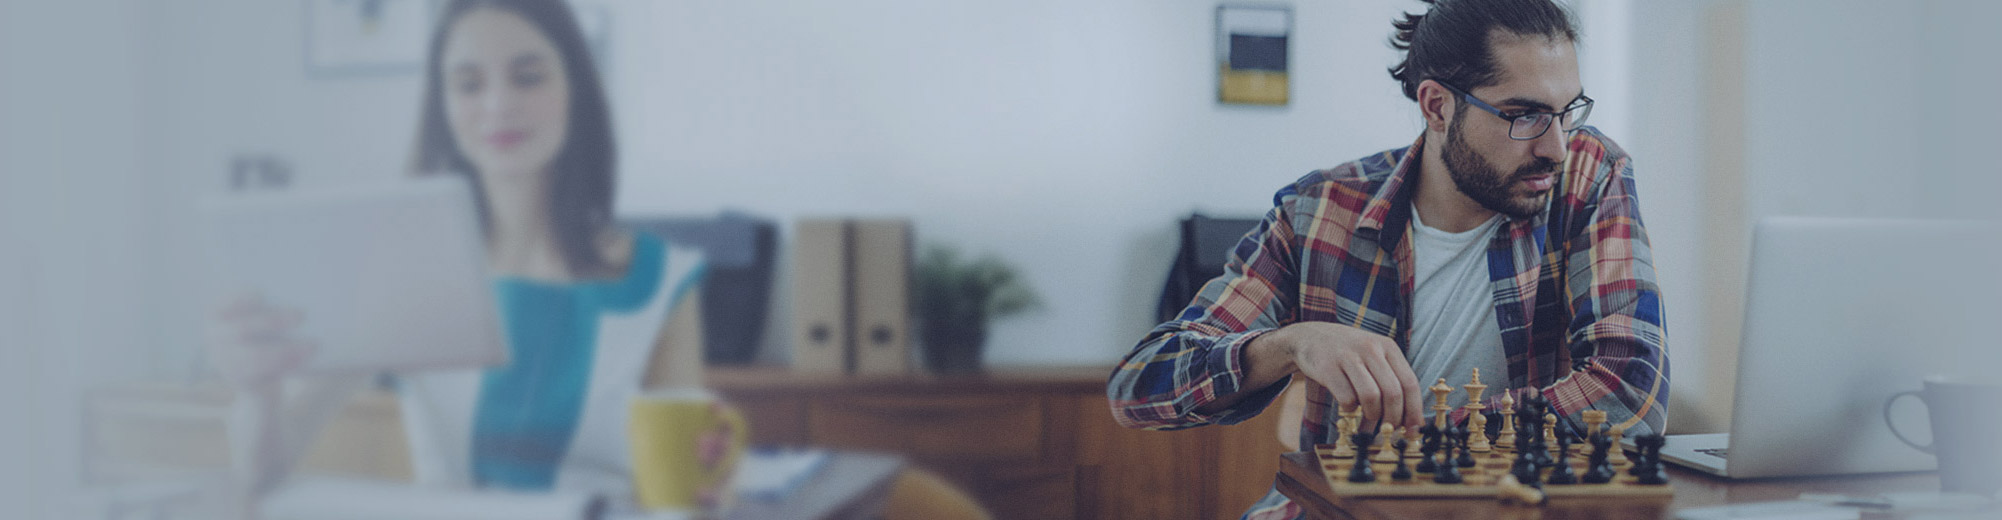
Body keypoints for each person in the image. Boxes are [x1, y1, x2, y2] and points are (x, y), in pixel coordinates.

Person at [208, 1, 985, 518]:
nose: (497, 106)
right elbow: (260, 483)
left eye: (528, 74)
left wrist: (713, 467)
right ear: (442, 106)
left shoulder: (660, 278)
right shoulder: (402, 267)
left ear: (575, 89)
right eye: (468, 83)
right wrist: (259, 392)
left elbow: (686, 488)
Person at [1105, 1, 1668, 518]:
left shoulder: (1590, 176)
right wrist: (1291, 343)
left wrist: (1415, 448)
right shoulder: (1316, 212)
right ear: (1437, 105)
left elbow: (1629, 389)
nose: (1555, 146)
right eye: (1524, 115)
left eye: (1567, 111)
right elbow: (1139, 387)